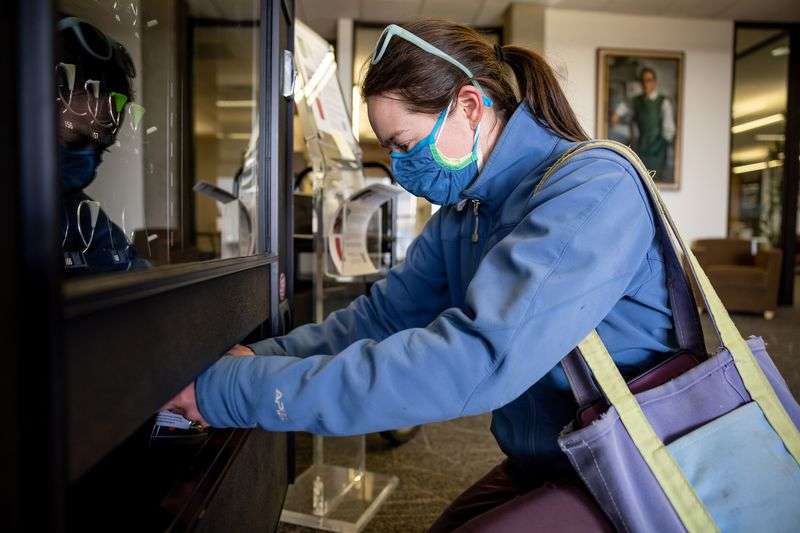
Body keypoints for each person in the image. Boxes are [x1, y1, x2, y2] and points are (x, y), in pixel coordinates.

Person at [165, 19, 677, 530]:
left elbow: (476, 359)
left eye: (404, 145)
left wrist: (238, 391)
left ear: (470, 106)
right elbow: (382, 320)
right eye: (388, 148)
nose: (397, 164)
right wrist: (262, 357)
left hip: (633, 465)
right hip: (550, 458)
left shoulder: (593, 189)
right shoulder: (466, 210)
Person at [56, 16, 148, 275]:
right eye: (76, 139)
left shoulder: (78, 216)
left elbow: (132, 275)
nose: (88, 159)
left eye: (101, 148)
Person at [610, 66, 676, 180]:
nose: (646, 84)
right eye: (643, 81)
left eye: (649, 80)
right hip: (642, 147)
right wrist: (616, 115)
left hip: (658, 149)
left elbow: (669, 128)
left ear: (654, 82)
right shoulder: (636, 100)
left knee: (656, 180)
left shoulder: (663, 102)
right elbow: (624, 106)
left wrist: (664, 144)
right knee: (640, 179)